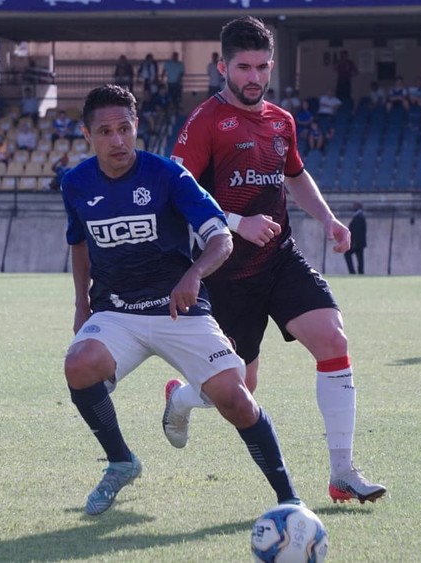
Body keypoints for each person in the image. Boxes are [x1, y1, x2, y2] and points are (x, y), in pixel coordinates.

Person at [167, 16, 386, 505]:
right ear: (222, 66)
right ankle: (181, 397)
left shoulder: (280, 120)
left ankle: (343, 471)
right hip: (226, 271)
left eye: (263, 67)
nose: (254, 77)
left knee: (333, 338)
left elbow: (296, 176)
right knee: (239, 388)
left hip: (279, 258)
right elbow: (176, 193)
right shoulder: (204, 122)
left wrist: (329, 220)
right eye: (243, 67)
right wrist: (235, 222)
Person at [61, 84, 301, 516]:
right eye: (105, 132)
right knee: (78, 365)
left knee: (237, 398)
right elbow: (79, 242)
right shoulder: (75, 183)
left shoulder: (168, 176)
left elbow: (221, 238)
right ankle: (121, 462)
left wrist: (193, 274)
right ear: (87, 135)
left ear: (137, 127)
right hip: (116, 311)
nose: (117, 140)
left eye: (125, 128)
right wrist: (82, 304)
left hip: (179, 310)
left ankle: (289, 500)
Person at [344, 202, 366, 275]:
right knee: (360, 258)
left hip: (356, 243)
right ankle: (360, 272)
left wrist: (354, 242)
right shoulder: (360, 216)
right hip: (360, 242)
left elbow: (357, 231)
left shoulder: (359, 217)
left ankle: (352, 272)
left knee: (348, 254)